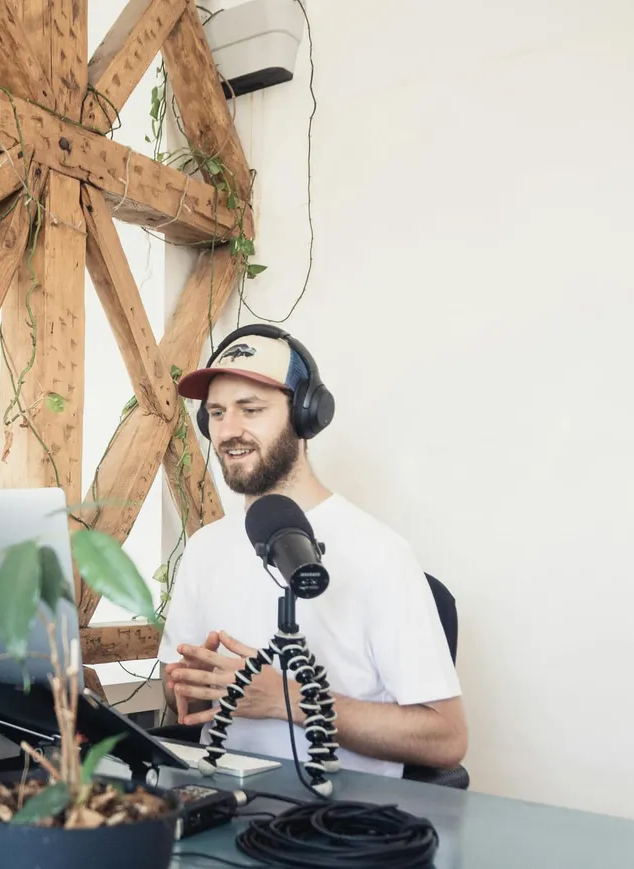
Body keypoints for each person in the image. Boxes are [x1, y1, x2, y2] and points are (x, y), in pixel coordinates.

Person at [158, 326, 468, 777]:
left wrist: (288, 699)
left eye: (251, 409)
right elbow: (178, 696)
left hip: (338, 827)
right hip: (220, 809)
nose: (228, 431)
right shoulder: (205, 549)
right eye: (218, 413)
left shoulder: (379, 554)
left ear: (307, 415)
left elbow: (446, 738)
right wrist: (195, 680)